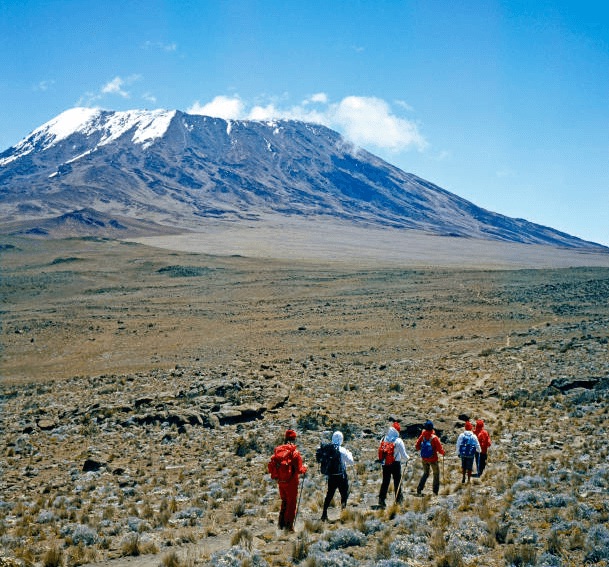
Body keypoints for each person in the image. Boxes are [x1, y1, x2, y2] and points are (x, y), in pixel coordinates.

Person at [268, 429, 307, 531]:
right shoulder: (294, 452)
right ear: (294, 439)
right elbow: (299, 470)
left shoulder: (278, 450)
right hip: (291, 483)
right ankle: (288, 528)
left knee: (284, 502)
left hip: (281, 482)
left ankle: (281, 525)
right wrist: (305, 468)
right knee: (291, 504)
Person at [320, 431, 355, 521]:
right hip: (341, 476)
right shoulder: (342, 450)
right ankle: (343, 513)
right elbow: (351, 462)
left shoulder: (328, 449)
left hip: (331, 476)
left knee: (329, 494)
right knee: (344, 494)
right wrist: (349, 453)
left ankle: (324, 514)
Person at [378, 422, 409, 508]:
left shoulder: (383, 438)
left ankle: (381, 499)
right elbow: (404, 455)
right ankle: (398, 500)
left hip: (385, 464)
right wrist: (408, 458)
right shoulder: (398, 441)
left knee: (385, 482)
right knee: (397, 481)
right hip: (395, 464)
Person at [415, 420, 445, 496]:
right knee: (436, 474)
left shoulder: (423, 436)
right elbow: (440, 449)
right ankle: (435, 492)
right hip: (433, 459)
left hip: (424, 459)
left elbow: (417, 446)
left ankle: (419, 488)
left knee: (425, 473)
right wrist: (443, 453)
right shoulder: (434, 438)